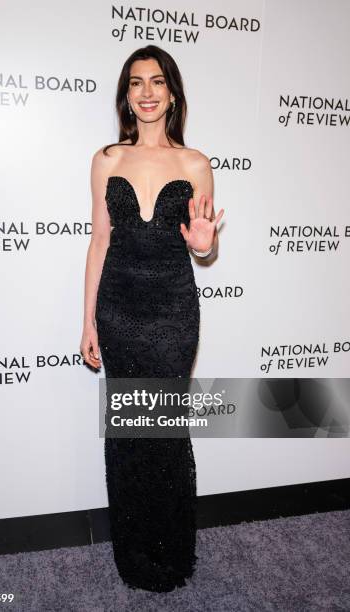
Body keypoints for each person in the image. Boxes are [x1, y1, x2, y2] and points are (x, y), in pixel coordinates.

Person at [80, 44, 224, 592]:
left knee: (163, 429)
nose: (146, 92)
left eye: (157, 82)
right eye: (136, 82)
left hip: (171, 310)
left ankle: (171, 549)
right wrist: (89, 321)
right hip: (117, 309)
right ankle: (135, 551)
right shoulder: (107, 160)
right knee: (128, 433)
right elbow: (99, 242)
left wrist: (206, 246)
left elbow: (202, 249)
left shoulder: (196, 165)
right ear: (127, 94)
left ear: (172, 93)